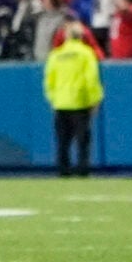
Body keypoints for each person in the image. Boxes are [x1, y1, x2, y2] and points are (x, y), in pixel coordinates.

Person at [44, 25, 102, 177]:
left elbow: (49, 81)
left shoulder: (56, 55)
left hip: (61, 102)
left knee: (63, 141)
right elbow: (91, 79)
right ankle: (83, 171)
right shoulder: (86, 53)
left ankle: (63, 172)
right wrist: (95, 100)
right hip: (80, 102)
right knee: (82, 141)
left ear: (66, 36)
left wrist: (53, 99)